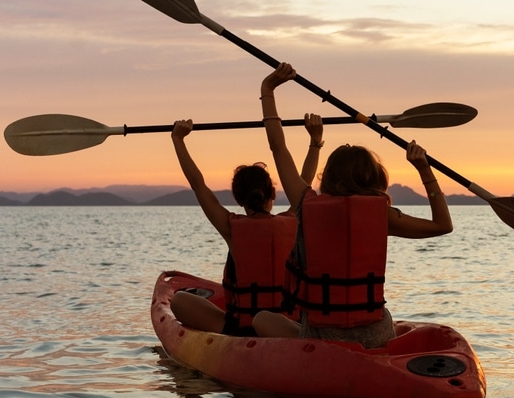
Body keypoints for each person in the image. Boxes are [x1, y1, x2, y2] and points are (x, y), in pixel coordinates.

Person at [252, 62, 453, 348]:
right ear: (376, 178)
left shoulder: (305, 203)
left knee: (262, 318)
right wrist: (424, 169)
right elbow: (443, 226)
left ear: (329, 176)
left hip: (322, 336)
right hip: (375, 335)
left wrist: (267, 90)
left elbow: (278, 148)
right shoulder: (382, 216)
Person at [169, 115, 324, 335]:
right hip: (288, 325)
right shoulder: (294, 219)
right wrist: (315, 140)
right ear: (272, 193)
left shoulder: (231, 227)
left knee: (179, 300)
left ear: (238, 199)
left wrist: (178, 139)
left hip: (241, 330)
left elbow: (197, 183)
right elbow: (305, 181)